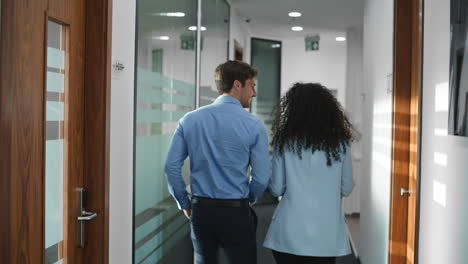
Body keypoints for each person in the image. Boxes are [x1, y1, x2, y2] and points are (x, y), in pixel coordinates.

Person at [165, 60, 271, 264]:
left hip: (201, 210)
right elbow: (261, 178)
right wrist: (247, 200)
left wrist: (184, 203)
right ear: (237, 85)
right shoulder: (253, 124)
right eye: (252, 85)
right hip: (236, 211)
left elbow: (171, 167)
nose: (254, 93)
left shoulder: (190, 119)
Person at [263, 83, 355, 264]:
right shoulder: (340, 144)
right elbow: (346, 188)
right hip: (326, 234)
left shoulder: (285, 142)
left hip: (289, 233)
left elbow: (275, 189)